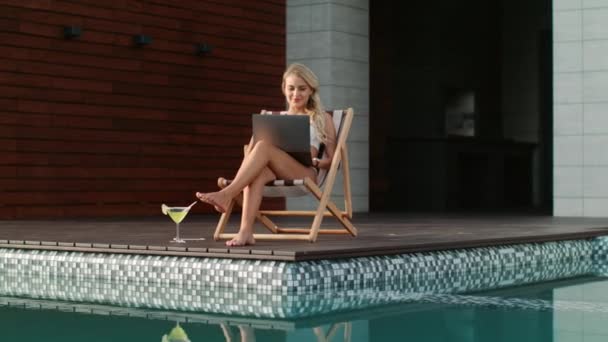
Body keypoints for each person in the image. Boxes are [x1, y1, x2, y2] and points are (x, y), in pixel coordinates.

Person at [196, 63, 337, 246]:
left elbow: (333, 160)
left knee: (263, 146)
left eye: (302, 89)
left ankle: (228, 193)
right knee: (257, 171)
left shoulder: (321, 118)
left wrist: (318, 162)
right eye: (291, 88)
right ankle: (245, 232)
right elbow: (251, 155)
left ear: (311, 90)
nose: (296, 94)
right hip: (273, 168)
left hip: (305, 172)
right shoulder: (276, 120)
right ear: (284, 89)